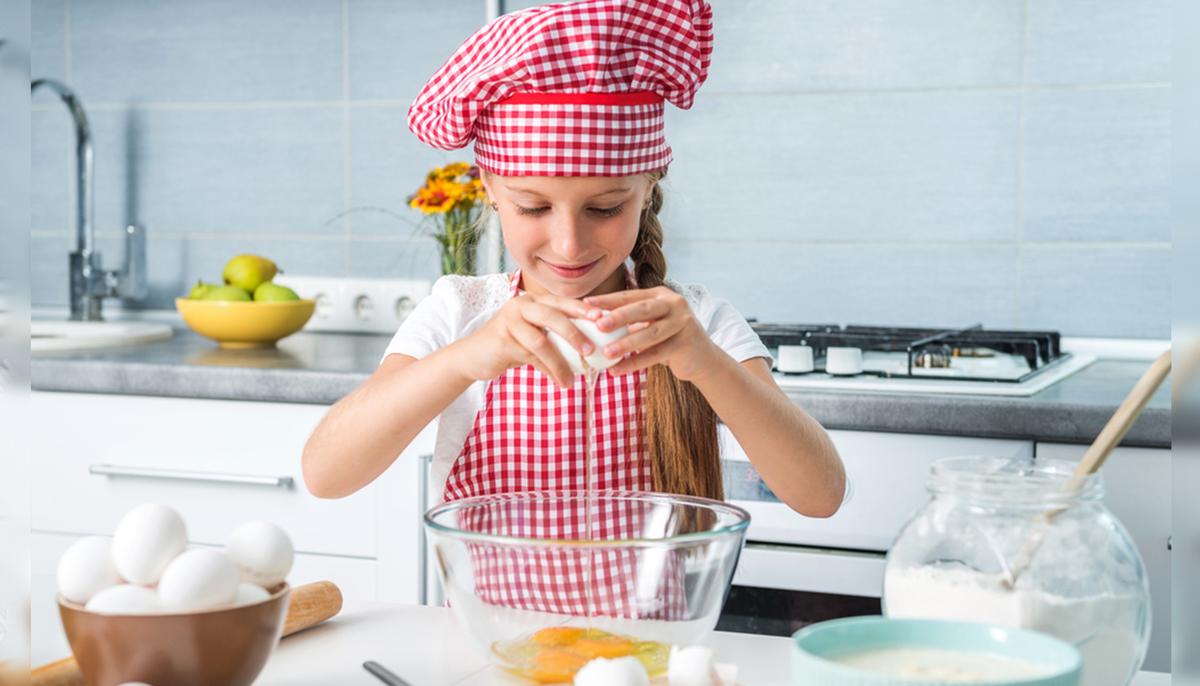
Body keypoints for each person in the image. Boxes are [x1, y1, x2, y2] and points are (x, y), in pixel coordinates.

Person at [302, 0, 844, 530]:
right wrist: (466, 359)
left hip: (654, 627)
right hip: (495, 624)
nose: (568, 244)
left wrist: (704, 361)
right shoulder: (458, 314)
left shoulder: (697, 322)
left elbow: (820, 496)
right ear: (489, 188)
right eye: (533, 207)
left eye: (605, 208)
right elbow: (326, 475)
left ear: (648, 185)